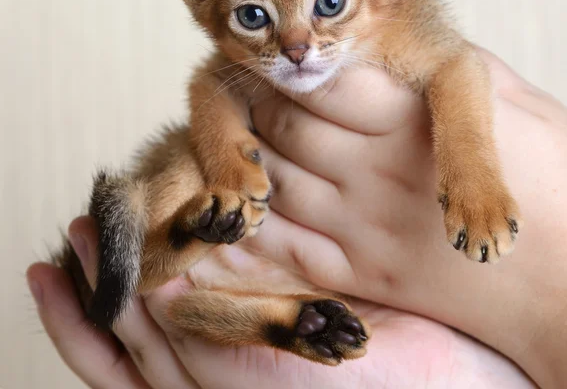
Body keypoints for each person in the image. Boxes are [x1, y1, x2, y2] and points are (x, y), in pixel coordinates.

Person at [27, 48, 567, 388]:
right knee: (171, 278)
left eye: (330, 1)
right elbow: (211, 90)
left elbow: (455, 67)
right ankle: (188, 262)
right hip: (268, 279)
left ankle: (216, 282)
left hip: (286, 287)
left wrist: (543, 307)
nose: (299, 47)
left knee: (177, 297)